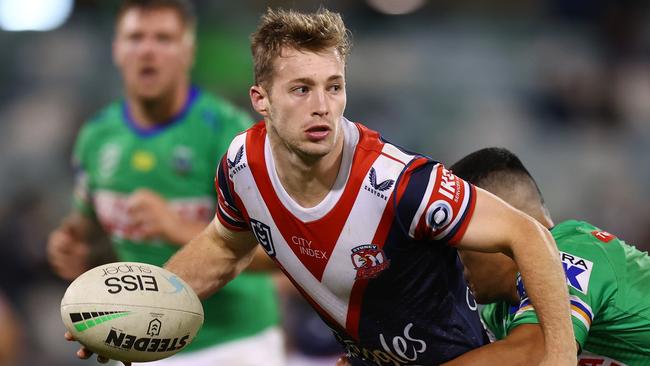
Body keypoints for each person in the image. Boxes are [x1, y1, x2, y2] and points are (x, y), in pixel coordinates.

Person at [69, 7, 576, 366]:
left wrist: (559, 358)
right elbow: (224, 247)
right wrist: (148, 305)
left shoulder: (401, 185)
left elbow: (528, 234)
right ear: (261, 99)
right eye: (302, 88)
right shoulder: (242, 167)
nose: (323, 105)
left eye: (334, 86)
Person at [47, 1, 283, 365]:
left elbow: (281, 253)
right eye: (135, 37)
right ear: (116, 49)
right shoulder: (96, 136)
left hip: (234, 343)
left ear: (189, 51)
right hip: (139, 341)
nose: (148, 50)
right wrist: (74, 247)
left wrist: (177, 227)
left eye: (164, 38)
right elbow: (92, 235)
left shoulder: (230, 135)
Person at [445, 147, 650, 366]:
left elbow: (537, 354)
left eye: (456, 243)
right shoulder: (498, 313)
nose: (450, 261)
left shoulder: (572, 252)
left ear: (498, 224)